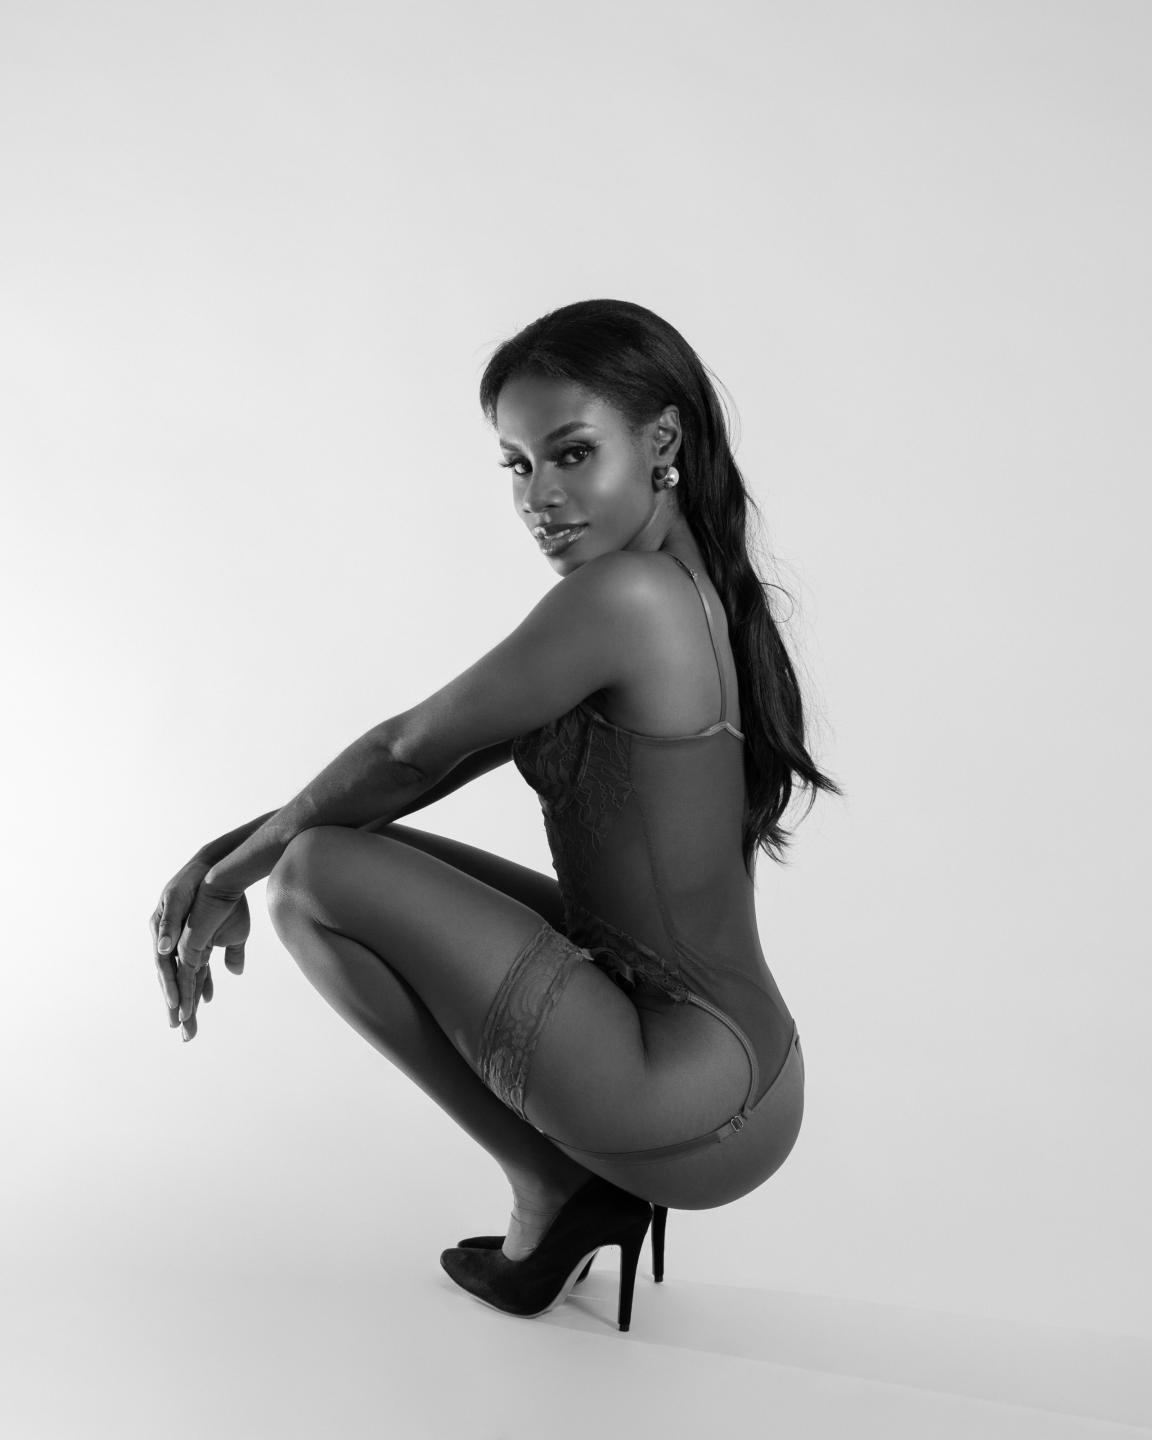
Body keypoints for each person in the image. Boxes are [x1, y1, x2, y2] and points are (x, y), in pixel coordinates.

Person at [149, 299, 842, 1333]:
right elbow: (418, 770)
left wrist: (227, 871)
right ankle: (562, 1193)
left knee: (310, 877)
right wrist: (227, 852)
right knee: (326, 859)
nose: (540, 498)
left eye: (573, 453)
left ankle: (553, 1188)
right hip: (735, 1066)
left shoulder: (627, 598)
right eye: (518, 465)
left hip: (691, 1089)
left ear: (662, 440)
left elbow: (406, 750)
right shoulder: (680, 585)